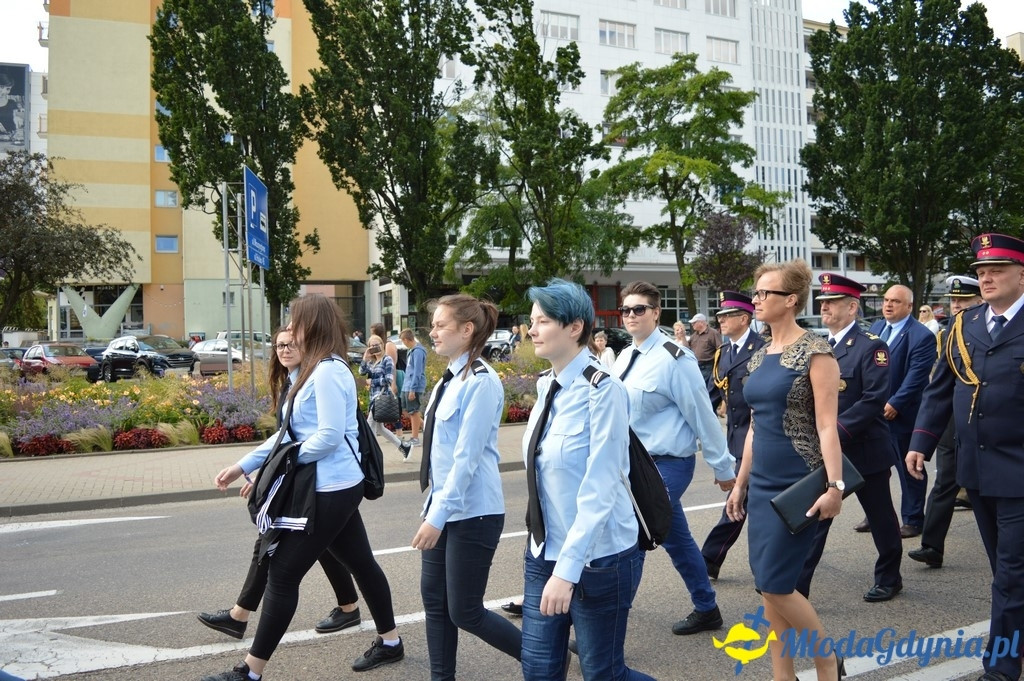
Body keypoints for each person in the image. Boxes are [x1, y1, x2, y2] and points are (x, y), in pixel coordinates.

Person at [205, 294, 403, 681]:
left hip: (331, 487)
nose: (291, 329)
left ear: (313, 324)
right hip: (331, 485)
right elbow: (289, 434)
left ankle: (250, 672)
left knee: (282, 574)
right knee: (361, 562)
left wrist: (282, 464)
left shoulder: (328, 371)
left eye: (296, 321)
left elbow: (327, 437)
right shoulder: (312, 371)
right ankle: (391, 643)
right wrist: (243, 465)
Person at [521, 278, 655, 681]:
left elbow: (601, 488)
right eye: (532, 321)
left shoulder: (604, 391)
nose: (531, 330)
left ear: (574, 327)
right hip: (544, 552)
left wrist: (568, 570)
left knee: (603, 673)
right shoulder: (547, 387)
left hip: (599, 559)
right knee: (539, 669)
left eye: (542, 321)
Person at [908, 233, 1024, 681]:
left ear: (1021, 273)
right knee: (1005, 567)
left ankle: (1001, 668)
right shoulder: (964, 325)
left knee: (1011, 575)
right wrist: (920, 441)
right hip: (976, 470)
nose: (986, 277)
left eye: (996, 269)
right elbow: (941, 389)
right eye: (980, 271)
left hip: (1019, 471)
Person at [198, 328, 363, 641]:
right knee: (333, 548)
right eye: (279, 346)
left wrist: (268, 470)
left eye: (291, 344)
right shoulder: (295, 381)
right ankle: (352, 609)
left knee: (279, 549)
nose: (284, 350)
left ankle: (242, 623)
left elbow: (320, 438)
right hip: (313, 478)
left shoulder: (323, 375)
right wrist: (249, 467)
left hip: (327, 479)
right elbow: (288, 436)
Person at [725, 259, 845, 681]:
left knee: (776, 583)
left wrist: (835, 487)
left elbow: (828, 426)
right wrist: (740, 484)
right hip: (761, 486)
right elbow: (756, 426)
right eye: (755, 293)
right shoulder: (759, 358)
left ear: (790, 300)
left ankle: (827, 659)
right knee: (765, 587)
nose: (755, 300)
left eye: (764, 293)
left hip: (799, 484)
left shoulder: (816, 352)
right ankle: (783, 674)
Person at [613, 281, 734, 637]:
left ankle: (607, 625)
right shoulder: (623, 357)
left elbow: (702, 414)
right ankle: (707, 607)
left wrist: (723, 466)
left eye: (639, 309)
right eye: (626, 310)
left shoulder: (674, 358)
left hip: (667, 464)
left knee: (634, 535)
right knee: (676, 537)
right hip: (631, 465)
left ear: (655, 312)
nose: (631, 316)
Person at [413, 294, 523, 680]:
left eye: (441, 325)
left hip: (474, 511)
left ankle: (542, 656)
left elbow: (466, 460)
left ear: (467, 330)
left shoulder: (482, 382)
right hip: (442, 506)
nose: (433, 332)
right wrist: (434, 510)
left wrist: (437, 518)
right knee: (436, 604)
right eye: (434, 324)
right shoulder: (450, 378)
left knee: (465, 611)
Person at [794, 274, 903, 602]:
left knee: (881, 516)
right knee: (816, 517)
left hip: (864, 449)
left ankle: (889, 577)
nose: (823, 306)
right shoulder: (817, 346)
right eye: (822, 301)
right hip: (827, 453)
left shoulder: (871, 346)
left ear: (852, 307)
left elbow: (873, 399)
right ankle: (797, 588)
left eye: (832, 302)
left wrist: (835, 432)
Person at [908, 275, 983, 569]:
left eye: (963, 301)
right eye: (953, 301)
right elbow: (938, 387)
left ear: (979, 301)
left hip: (985, 419)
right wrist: (922, 438)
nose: (957, 306)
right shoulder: (946, 335)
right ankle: (931, 545)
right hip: (952, 419)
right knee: (945, 481)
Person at [861, 285, 936, 539]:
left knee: (908, 468)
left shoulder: (921, 335)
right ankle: (876, 514)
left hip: (902, 415)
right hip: (873, 413)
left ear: (909, 306)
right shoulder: (875, 329)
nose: (888, 305)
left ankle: (913, 519)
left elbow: (915, 378)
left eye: (895, 301)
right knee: (874, 467)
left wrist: (895, 403)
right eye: (886, 300)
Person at [701, 291, 765, 580]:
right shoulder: (724, 353)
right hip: (735, 439)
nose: (721, 320)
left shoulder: (762, 349)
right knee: (745, 500)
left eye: (727, 316)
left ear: (744, 318)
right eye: (719, 316)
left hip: (759, 439)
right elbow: (711, 395)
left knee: (740, 500)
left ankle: (709, 559)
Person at [360, 334, 413, 459]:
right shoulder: (372, 362)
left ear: (381, 345)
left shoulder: (387, 360)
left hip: (382, 397)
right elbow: (361, 372)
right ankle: (404, 447)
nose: (374, 347)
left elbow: (388, 379)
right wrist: (365, 357)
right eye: (371, 346)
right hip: (373, 398)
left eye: (376, 345)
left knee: (369, 424)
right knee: (380, 429)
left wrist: (372, 382)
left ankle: (372, 455)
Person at [371, 322, 405, 439]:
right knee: (394, 405)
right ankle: (401, 442)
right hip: (382, 385)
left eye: (373, 333)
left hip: (393, 378)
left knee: (396, 405)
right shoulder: (379, 347)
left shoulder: (388, 345)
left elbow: (392, 366)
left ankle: (401, 432)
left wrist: (393, 384)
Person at [399, 328, 427, 448]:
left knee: (414, 411)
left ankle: (415, 438)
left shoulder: (418, 352)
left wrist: (413, 389)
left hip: (413, 386)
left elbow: (417, 371)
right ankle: (427, 427)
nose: (403, 343)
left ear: (406, 339)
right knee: (405, 411)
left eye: (402, 341)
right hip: (407, 384)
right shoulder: (411, 351)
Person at [687, 313, 721, 383]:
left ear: (701, 322)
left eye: (694, 323)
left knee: (703, 387)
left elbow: (720, 349)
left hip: (707, 366)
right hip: (695, 366)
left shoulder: (713, 333)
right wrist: (682, 337)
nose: (692, 324)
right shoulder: (694, 335)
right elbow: (687, 348)